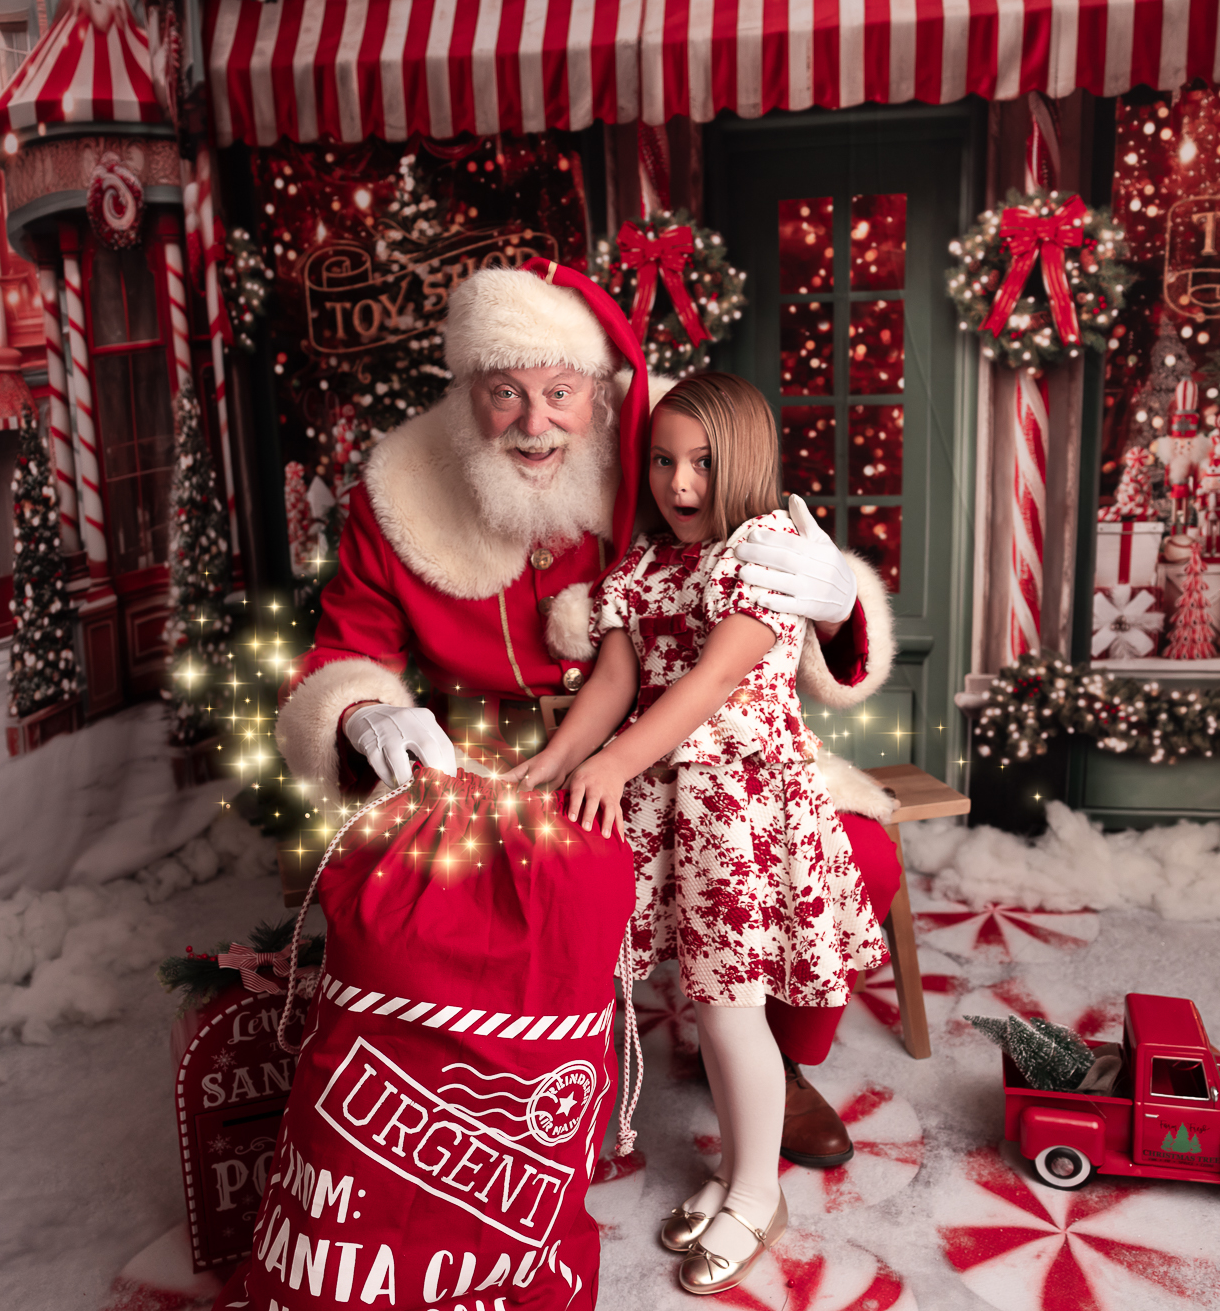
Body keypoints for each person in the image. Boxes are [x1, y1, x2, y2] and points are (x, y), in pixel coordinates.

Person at [273, 260, 900, 1168]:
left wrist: (839, 602)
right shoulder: (396, 496)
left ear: (598, 395)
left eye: (559, 391)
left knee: (859, 853)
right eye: (504, 394)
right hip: (489, 749)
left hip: (700, 744)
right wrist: (363, 713)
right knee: (489, 894)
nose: (534, 424)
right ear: (467, 394)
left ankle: (780, 1062)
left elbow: (743, 555)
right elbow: (343, 650)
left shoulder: (650, 457)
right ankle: (538, 1069)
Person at [503, 372, 885, 1293]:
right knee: (710, 1009)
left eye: (702, 463)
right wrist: (547, 765)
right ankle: (738, 1176)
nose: (679, 484)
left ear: (743, 461)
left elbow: (712, 682)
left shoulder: (765, 552)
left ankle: (757, 1192)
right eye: (664, 461)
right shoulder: (641, 570)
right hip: (670, 807)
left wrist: (614, 764)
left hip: (741, 809)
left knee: (730, 1006)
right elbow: (611, 687)